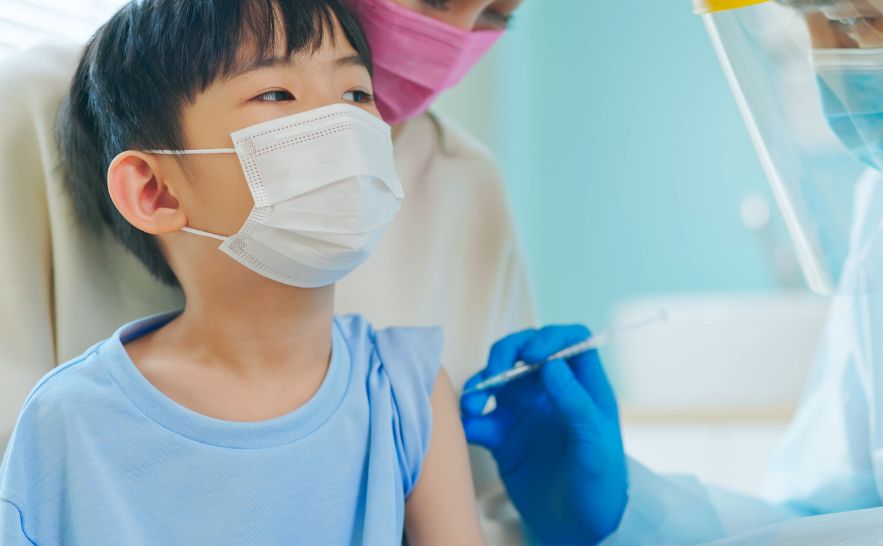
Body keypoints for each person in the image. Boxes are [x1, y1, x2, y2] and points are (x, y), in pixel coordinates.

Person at [0, 0, 530, 542]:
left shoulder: (406, 391)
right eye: (276, 94)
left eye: (356, 95)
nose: (342, 126)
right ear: (154, 191)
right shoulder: (67, 421)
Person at [462, 0, 883, 544]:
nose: (829, 69)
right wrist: (626, 513)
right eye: (803, 22)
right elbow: (832, 517)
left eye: (852, 20)